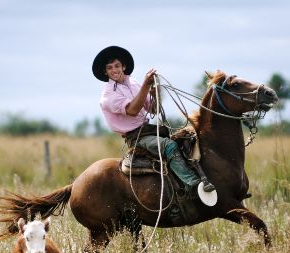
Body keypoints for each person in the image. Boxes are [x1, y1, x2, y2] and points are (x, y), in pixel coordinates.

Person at [92, 45, 214, 194]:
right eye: (110, 68)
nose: (114, 70)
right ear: (106, 72)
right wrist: (145, 86)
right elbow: (132, 110)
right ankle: (193, 185)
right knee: (169, 146)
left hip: (148, 130)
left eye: (117, 65)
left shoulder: (135, 84)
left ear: (123, 66)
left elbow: (153, 110)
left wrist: (155, 93)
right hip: (136, 137)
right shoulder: (108, 95)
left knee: (188, 140)